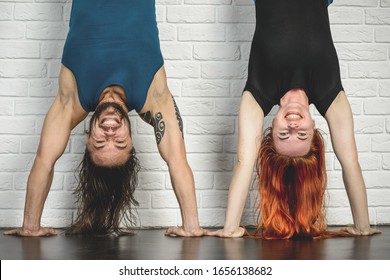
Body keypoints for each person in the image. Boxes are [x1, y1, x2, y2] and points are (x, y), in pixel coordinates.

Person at [4, 0, 204, 237]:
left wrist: (30, 226)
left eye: (100, 143)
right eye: (119, 143)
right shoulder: (153, 97)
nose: (110, 134)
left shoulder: (71, 100)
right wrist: (191, 226)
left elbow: (44, 161)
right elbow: (177, 160)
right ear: (131, 141)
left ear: (88, 139)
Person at [207, 0, 381, 239]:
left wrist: (230, 228)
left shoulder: (259, 92)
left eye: (283, 134)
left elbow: (245, 162)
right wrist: (362, 227)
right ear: (313, 128)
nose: (293, 126)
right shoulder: (329, 92)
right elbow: (350, 162)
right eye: (301, 134)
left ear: (270, 129)